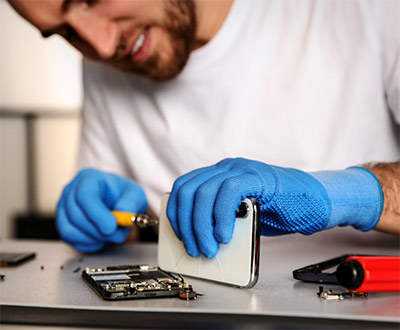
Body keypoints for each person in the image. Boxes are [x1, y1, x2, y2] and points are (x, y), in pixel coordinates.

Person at [9, 0, 400, 256]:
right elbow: (126, 234)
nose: (103, 45)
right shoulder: (104, 63)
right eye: (64, 32)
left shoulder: (366, 9)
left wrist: (351, 196)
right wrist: (104, 222)